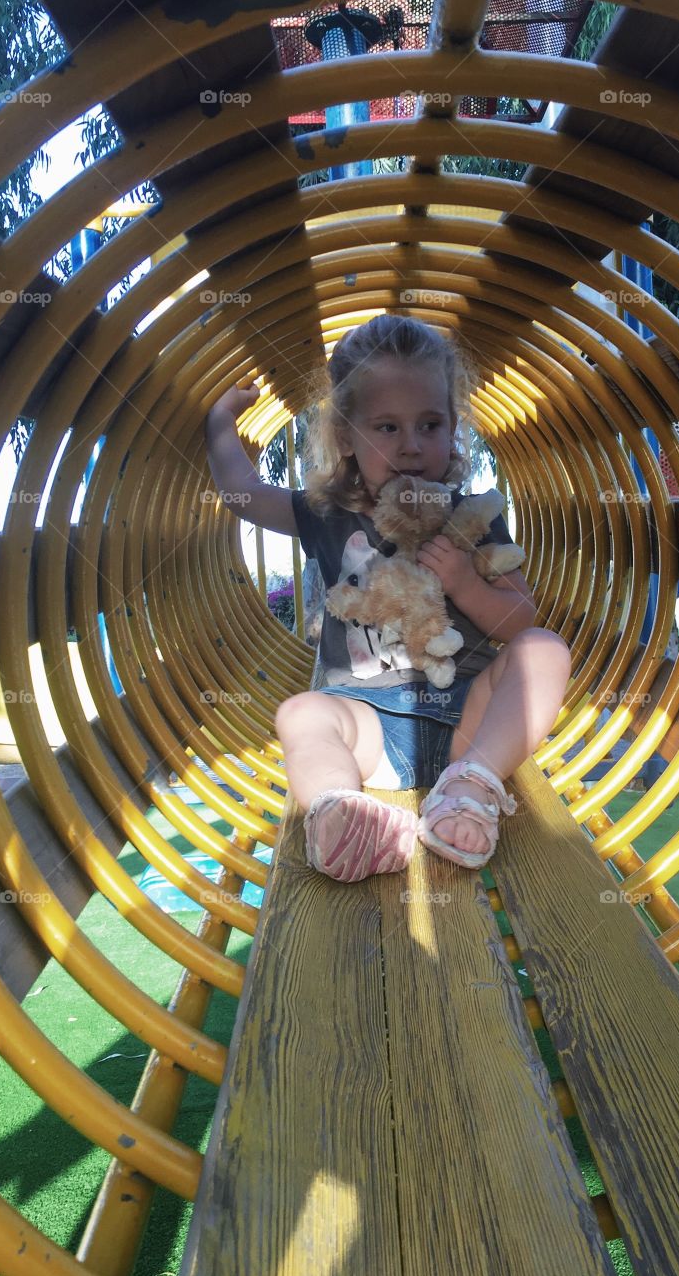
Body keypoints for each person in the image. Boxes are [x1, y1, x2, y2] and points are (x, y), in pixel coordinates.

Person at [204, 314, 572, 882]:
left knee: (545, 650)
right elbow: (244, 495)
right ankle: (339, 811)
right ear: (347, 435)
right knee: (302, 713)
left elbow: (520, 621)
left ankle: (472, 786)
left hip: (470, 725)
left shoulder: (472, 518)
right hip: (368, 725)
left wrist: (466, 585)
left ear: (454, 428)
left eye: (430, 424)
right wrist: (219, 425)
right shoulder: (328, 514)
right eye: (387, 427)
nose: (412, 447)